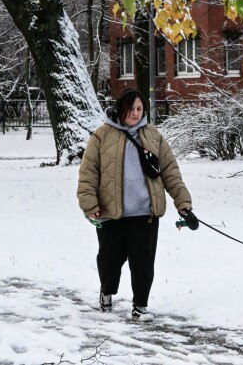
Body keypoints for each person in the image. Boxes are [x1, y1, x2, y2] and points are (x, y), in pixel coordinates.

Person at [77, 88, 197, 321]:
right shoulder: (102, 135)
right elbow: (88, 172)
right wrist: (89, 203)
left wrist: (183, 202)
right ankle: (107, 291)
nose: (135, 113)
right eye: (131, 108)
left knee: (143, 263)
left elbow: (170, 171)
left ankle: (140, 305)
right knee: (109, 260)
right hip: (111, 213)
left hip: (146, 212)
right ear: (121, 108)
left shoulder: (152, 135)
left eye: (139, 109)